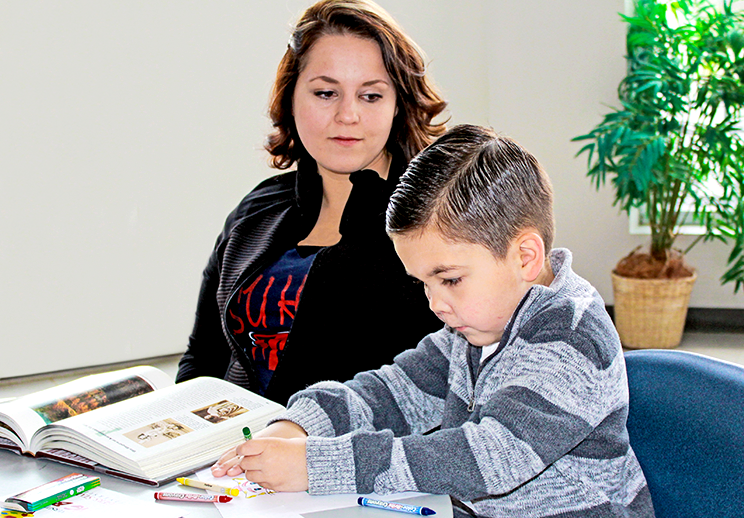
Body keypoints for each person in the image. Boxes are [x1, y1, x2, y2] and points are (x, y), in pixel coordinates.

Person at [211, 124, 655, 518]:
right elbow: (394, 390)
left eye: (450, 280)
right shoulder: (477, 325)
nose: (435, 304)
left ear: (525, 256)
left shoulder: (571, 337)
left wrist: (318, 464)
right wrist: (301, 425)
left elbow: (484, 459)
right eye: (424, 283)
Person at [175, 0, 446, 404]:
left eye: (370, 96)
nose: (347, 114)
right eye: (325, 92)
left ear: (398, 105)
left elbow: (446, 384)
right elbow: (203, 358)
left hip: (360, 457)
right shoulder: (257, 211)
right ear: (291, 97)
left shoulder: (440, 222)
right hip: (235, 452)